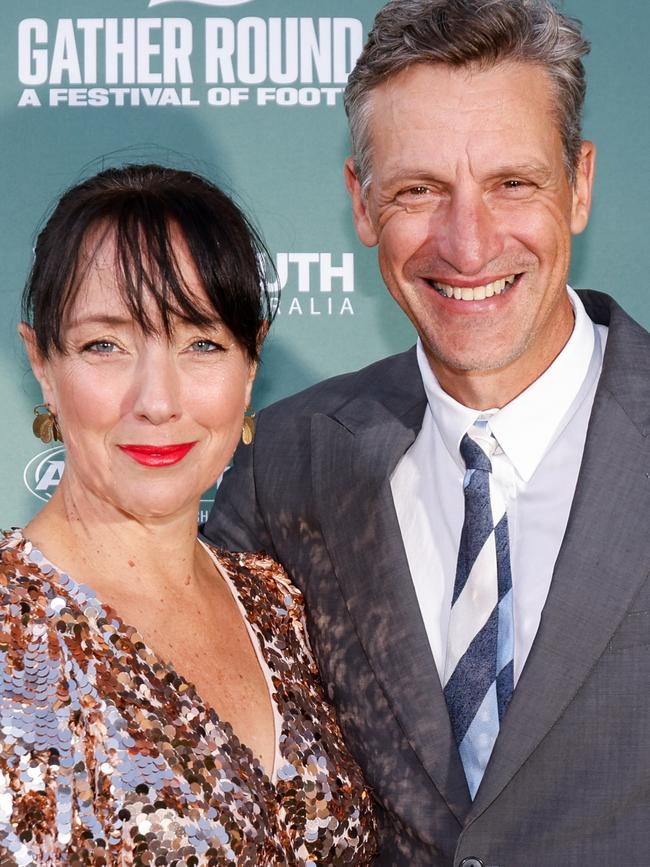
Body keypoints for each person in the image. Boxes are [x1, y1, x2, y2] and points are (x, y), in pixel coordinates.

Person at [204, 0, 650, 864]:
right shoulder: (284, 461)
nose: (469, 243)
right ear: (361, 204)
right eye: (419, 190)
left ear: (582, 183)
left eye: (512, 184)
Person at [0, 164, 377, 865]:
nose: (158, 400)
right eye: (104, 345)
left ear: (251, 359)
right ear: (43, 364)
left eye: (201, 342)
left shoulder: (276, 599)